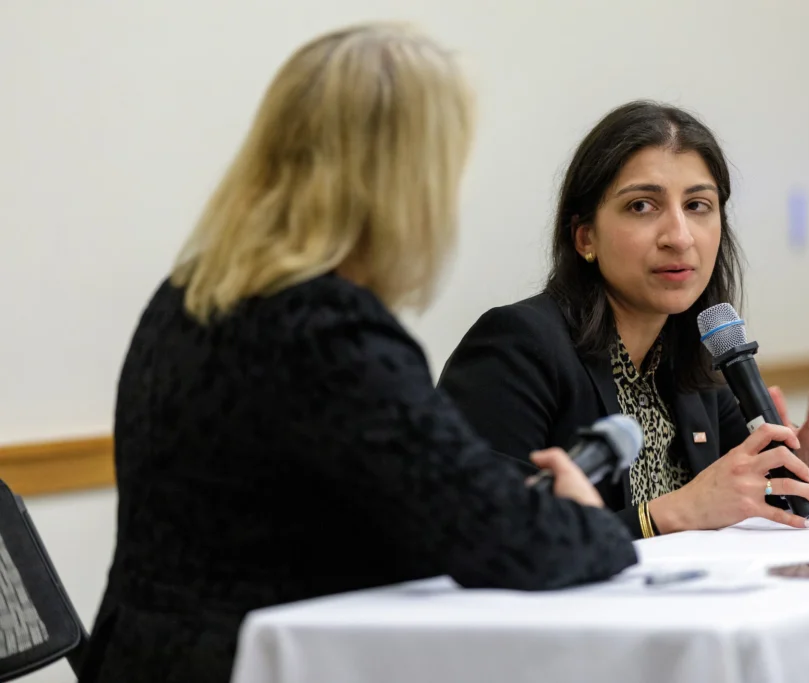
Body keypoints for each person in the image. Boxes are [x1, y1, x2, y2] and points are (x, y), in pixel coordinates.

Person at [78, 24, 637, 683]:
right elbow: (504, 543)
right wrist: (586, 520)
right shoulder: (327, 329)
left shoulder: (186, 297)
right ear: (404, 179)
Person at [438, 101, 809, 540]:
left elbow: (754, 492)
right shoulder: (519, 344)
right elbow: (480, 529)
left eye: (698, 205)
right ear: (585, 236)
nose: (679, 237)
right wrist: (669, 513)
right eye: (643, 206)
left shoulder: (688, 360)